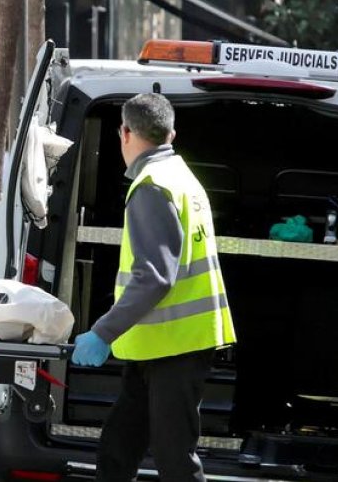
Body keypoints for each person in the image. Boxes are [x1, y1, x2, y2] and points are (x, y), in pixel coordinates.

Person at [71, 93, 236, 481]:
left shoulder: (151, 186)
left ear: (124, 133)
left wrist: (102, 332)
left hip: (174, 346)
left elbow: (154, 276)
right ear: (171, 133)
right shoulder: (181, 178)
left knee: (175, 460)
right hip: (159, 347)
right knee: (117, 449)